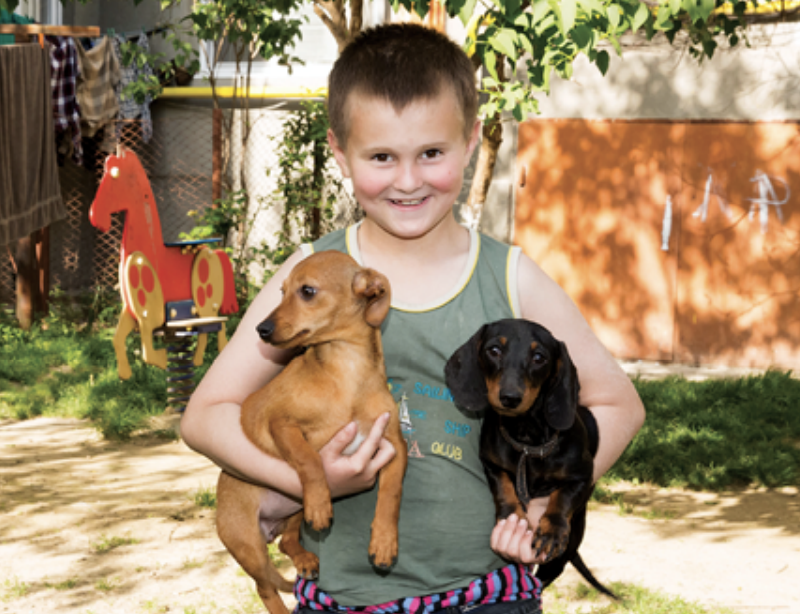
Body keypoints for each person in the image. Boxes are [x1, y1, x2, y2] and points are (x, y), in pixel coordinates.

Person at [181, 22, 645, 614]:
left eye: (431, 153)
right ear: (340, 153)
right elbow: (204, 417)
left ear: (471, 141)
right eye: (382, 157)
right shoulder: (310, 277)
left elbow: (619, 405)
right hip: (342, 600)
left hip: (486, 596)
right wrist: (304, 482)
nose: (407, 180)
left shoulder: (511, 278)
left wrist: (541, 509)